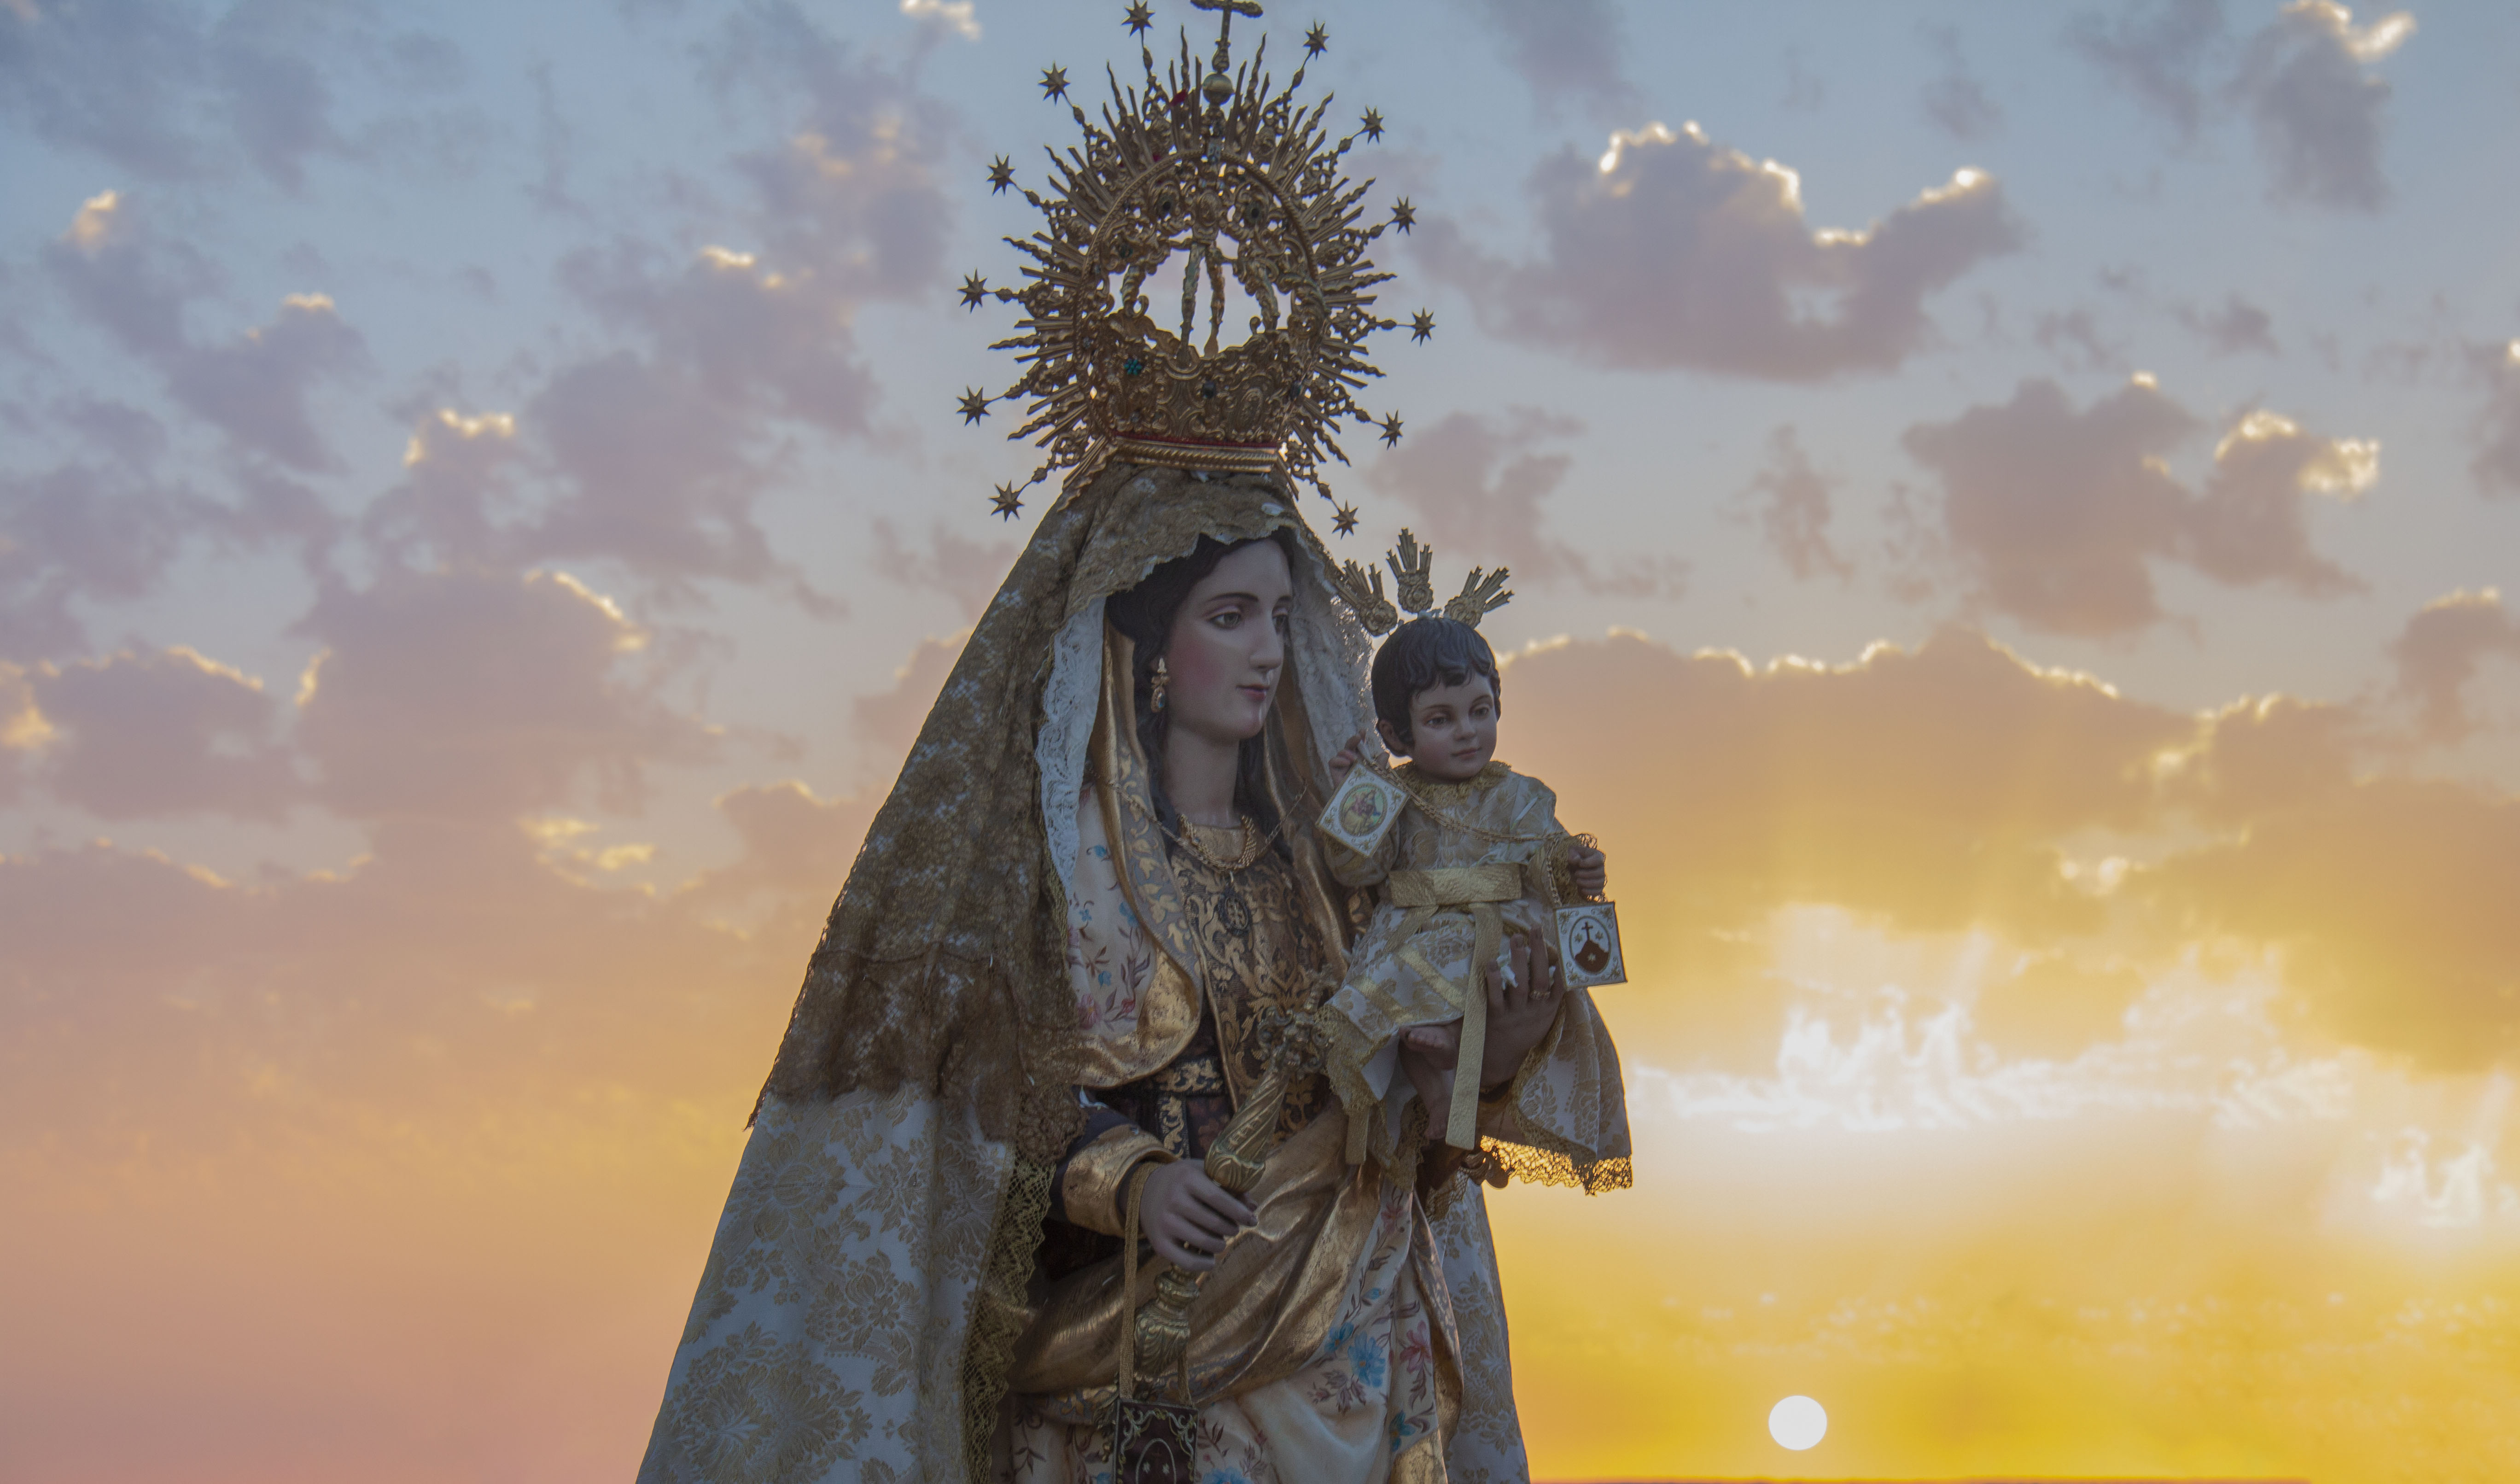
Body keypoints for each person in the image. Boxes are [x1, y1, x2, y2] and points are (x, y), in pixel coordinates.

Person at [636, 12, 1630, 1481]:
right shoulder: (1059, 869)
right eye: (1231, 616)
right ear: (1148, 648)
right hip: (1143, 1368)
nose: (1270, 652)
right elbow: (985, 1108)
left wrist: (1513, 1018)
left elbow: (1433, 1089)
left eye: (1283, 618)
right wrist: (1130, 1178)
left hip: (1355, 1341)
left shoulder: (1348, 855)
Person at [1315, 611, 1613, 1176]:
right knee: (1405, 1029)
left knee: (1499, 978)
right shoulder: (1391, 792)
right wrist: (1354, 801)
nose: (1467, 732)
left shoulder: (1520, 794)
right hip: (1417, 929)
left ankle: (1466, 1092)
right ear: (1396, 734)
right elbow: (1357, 870)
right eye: (1441, 720)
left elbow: (1550, 856)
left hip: (1498, 935)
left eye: (1479, 712)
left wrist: (1580, 869)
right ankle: (1442, 1106)